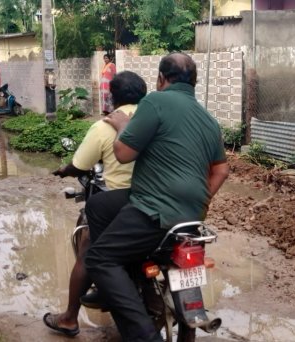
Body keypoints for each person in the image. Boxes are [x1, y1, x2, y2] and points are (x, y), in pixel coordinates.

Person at [85, 53, 230, 342]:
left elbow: (123, 154)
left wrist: (123, 126)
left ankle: (143, 334)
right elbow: (222, 171)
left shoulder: (155, 101)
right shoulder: (208, 119)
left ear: (160, 79)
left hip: (154, 209)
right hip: (192, 216)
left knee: (99, 258)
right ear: (195, 82)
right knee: (98, 205)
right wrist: (201, 202)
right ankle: (124, 272)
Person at [43, 71, 148, 337]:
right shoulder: (154, 120)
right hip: (157, 202)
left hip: (120, 203)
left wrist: (64, 170)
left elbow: (80, 165)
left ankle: (69, 317)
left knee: (90, 248)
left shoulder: (104, 126)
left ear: (113, 98)